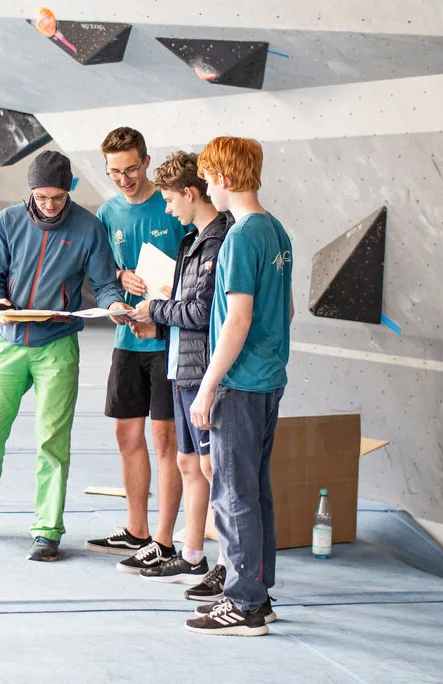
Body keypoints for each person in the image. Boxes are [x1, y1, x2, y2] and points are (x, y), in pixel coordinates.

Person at [0, 150, 132, 562]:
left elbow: (104, 283)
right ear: (31, 191)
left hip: (57, 347)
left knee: (52, 442)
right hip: (8, 343)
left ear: (69, 191)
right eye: (42, 197)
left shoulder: (88, 228)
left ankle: (47, 530)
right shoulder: (8, 222)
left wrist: (114, 304)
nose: (50, 205)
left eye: (58, 197)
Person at [181, 137, 294, 636]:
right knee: (255, 491)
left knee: (232, 494)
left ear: (223, 179)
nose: (207, 189)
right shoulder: (276, 230)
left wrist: (208, 386)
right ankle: (258, 595)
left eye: (208, 180)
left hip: (239, 383)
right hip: (268, 380)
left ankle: (244, 603)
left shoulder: (240, 237)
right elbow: (286, 309)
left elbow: (237, 319)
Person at [126, 151, 231, 593]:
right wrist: (163, 310)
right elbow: (186, 305)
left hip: (203, 369)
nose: (167, 209)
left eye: (170, 200)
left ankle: (228, 564)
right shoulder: (191, 242)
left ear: (190, 193)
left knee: (213, 467)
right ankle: (192, 555)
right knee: (189, 462)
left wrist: (156, 308)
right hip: (181, 365)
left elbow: (203, 312)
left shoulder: (220, 240)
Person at [84, 128, 186, 574]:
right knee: (127, 436)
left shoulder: (171, 205)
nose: (123, 179)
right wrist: (119, 277)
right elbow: (103, 273)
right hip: (128, 339)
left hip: (168, 339)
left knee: (166, 441)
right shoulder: (107, 212)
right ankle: (136, 529)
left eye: (130, 169)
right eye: (114, 172)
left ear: (146, 162)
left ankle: (164, 540)